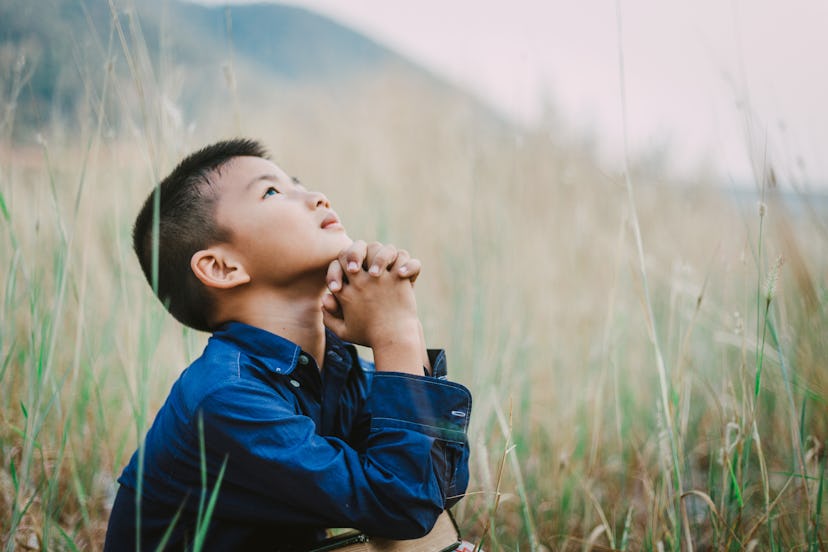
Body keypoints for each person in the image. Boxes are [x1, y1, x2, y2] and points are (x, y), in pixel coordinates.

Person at [103, 139, 472, 550]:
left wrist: (401, 326)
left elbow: (436, 489)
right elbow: (403, 504)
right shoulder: (225, 398)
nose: (317, 197)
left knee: (439, 543)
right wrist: (396, 333)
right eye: (272, 192)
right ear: (222, 267)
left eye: (298, 184)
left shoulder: (332, 368)